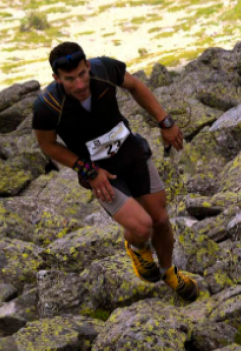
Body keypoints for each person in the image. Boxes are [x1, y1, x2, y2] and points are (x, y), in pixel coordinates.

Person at [32, 41, 198, 301]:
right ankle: (136, 247)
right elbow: (47, 145)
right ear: (56, 78)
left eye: (82, 74)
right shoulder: (47, 105)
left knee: (161, 221)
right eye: (69, 79)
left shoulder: (104, 70)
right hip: (99, 172)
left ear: (88, 66)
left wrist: (164, 121)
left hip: (131, 152)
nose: (79, 84)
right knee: (143, 227)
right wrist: (87, 170)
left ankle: (169, 273)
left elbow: (135, 86)